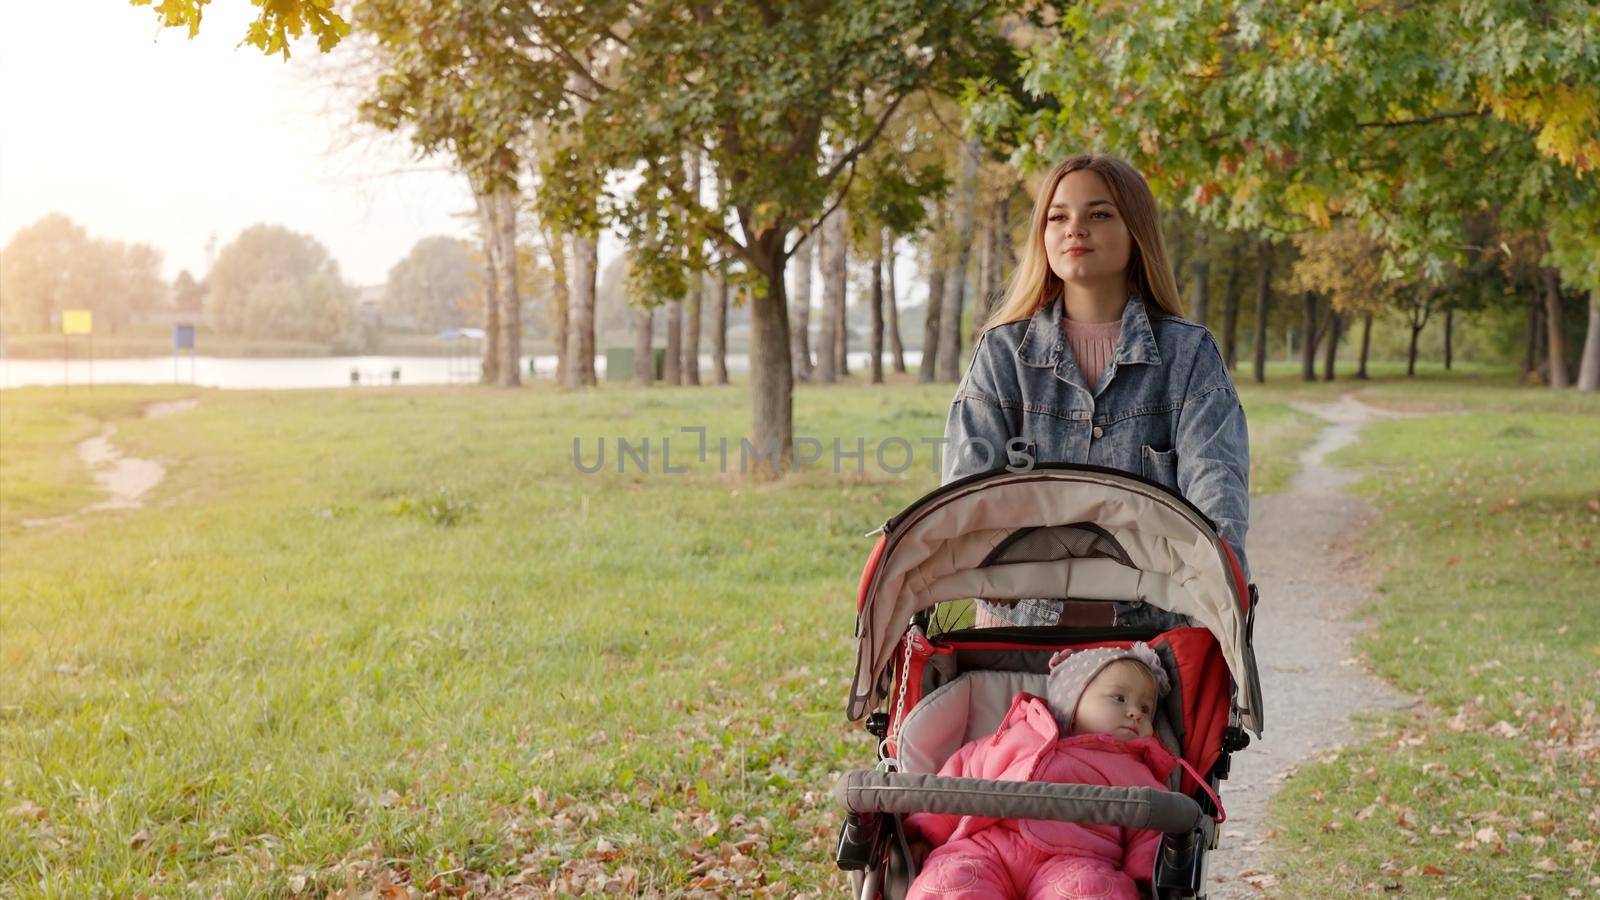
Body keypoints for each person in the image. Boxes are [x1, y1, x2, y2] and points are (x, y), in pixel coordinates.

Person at [941, 153, 1250, 629]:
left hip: (1155, 636)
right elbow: (969, 505)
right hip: (1021, 633)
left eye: (1099, 214)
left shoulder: (1189, 357)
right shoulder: (1001, 355)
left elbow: (1218, 508)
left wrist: (1219, 617)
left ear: (1136, 233)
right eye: (1058, 216)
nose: (1074, 228)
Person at [904, 644, 1178, 900]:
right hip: (985, 847)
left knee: (1092, 891)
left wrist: (1146, 876)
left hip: (1080, 858)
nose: (1136, 713)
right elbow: (951, 786)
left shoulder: (1133, 769)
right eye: (1119, 698)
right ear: (1072, 700)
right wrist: (922, 836)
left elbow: (1152, 827)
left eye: (1146, 708)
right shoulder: (1010, 739)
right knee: (950, 882)